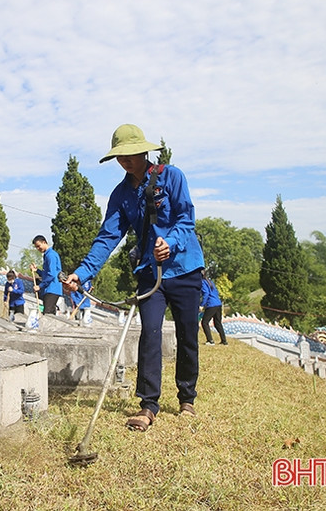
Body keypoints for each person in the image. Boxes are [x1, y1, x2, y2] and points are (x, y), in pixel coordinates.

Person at [64, 123, 205, 432]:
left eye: (130, 155)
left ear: (144, 152)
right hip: (149, 274)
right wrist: (82, 273)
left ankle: (187, 397)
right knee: (150, 333)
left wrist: (171, 243)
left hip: (184, 268)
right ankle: (148, 404)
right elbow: (107, 238)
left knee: (187, 335)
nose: (125, 161)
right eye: (120, 157)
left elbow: (186, 218)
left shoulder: (173, 177)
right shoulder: (121, 194)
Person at [29, 235, 63, 315]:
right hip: (48, 289)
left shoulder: (50, 255)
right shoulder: (47, 255)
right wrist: (36, 270)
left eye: (38, 246)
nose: (38, 249)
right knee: (49, 312)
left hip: (52, 288)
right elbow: (46, 274)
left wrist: (40, 286)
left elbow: (52, 275)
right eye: (36, 247)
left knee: (47, 313)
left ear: (44, 242)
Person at [201, 271, 228, 345]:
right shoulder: (210, 281)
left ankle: (210, 340)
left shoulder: (203, 282)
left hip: (211, 304)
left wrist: (202, 305)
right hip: (218, 304)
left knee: (204, 322)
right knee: (217, 323)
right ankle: (224, 341)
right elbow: (216, 292)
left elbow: (206, 293)